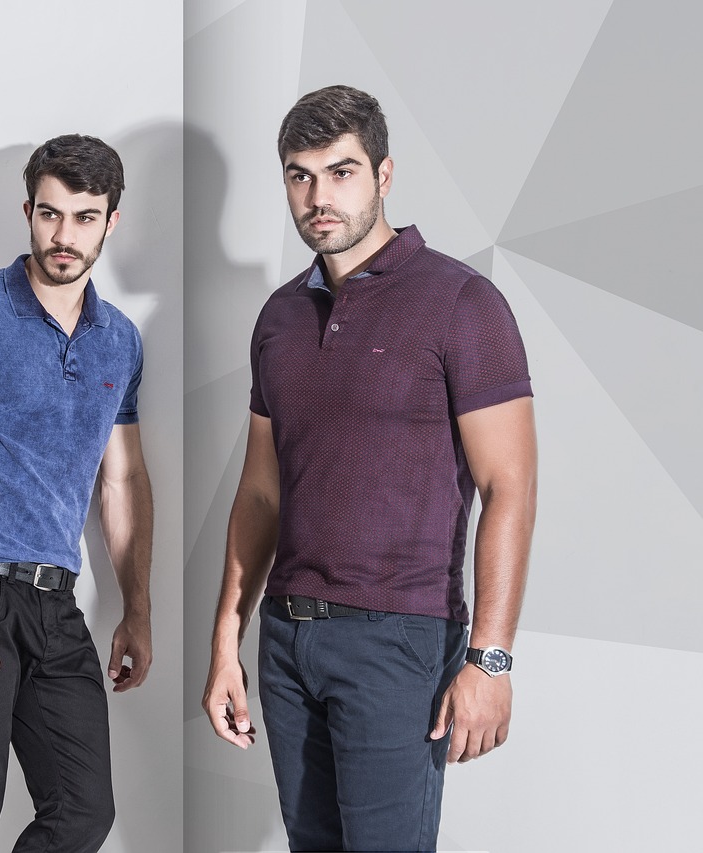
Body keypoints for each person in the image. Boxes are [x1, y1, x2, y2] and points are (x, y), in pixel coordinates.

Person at [201, 85, 537, 852]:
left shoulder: (462, 302)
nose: (319, 196)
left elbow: (508, 486)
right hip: (287, 639)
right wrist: (226, 641)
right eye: (300, 175)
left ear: (384, 174)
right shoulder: (279, 317)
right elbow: (261, 493)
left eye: (341, 172)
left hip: (400, 639)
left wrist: (490, 659)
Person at [0, 134, 154, 853]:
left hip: (56, 605)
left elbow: (123, 479)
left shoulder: (120, 341)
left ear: (111, 222)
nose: (63, 235)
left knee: (84, 810)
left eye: (84, 217)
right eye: (50, 214)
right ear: (28, 212)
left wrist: (137, 609)